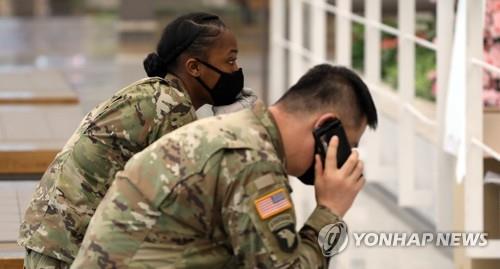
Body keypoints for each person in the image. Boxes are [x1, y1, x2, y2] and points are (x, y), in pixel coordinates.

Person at [71, 64, 378, 268]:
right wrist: (330, 211)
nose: (347, 160)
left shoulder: (237, 131)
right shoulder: (252, 161)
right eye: (347, 146)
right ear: (325, 128)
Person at [19, 12, 256, 269]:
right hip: (68, 247)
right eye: (230, 61)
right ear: (194, 67)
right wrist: (233, 129)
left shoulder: (156, 93)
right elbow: (198, 200)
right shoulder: (170, 106)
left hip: (56, 237)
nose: (236, 70)